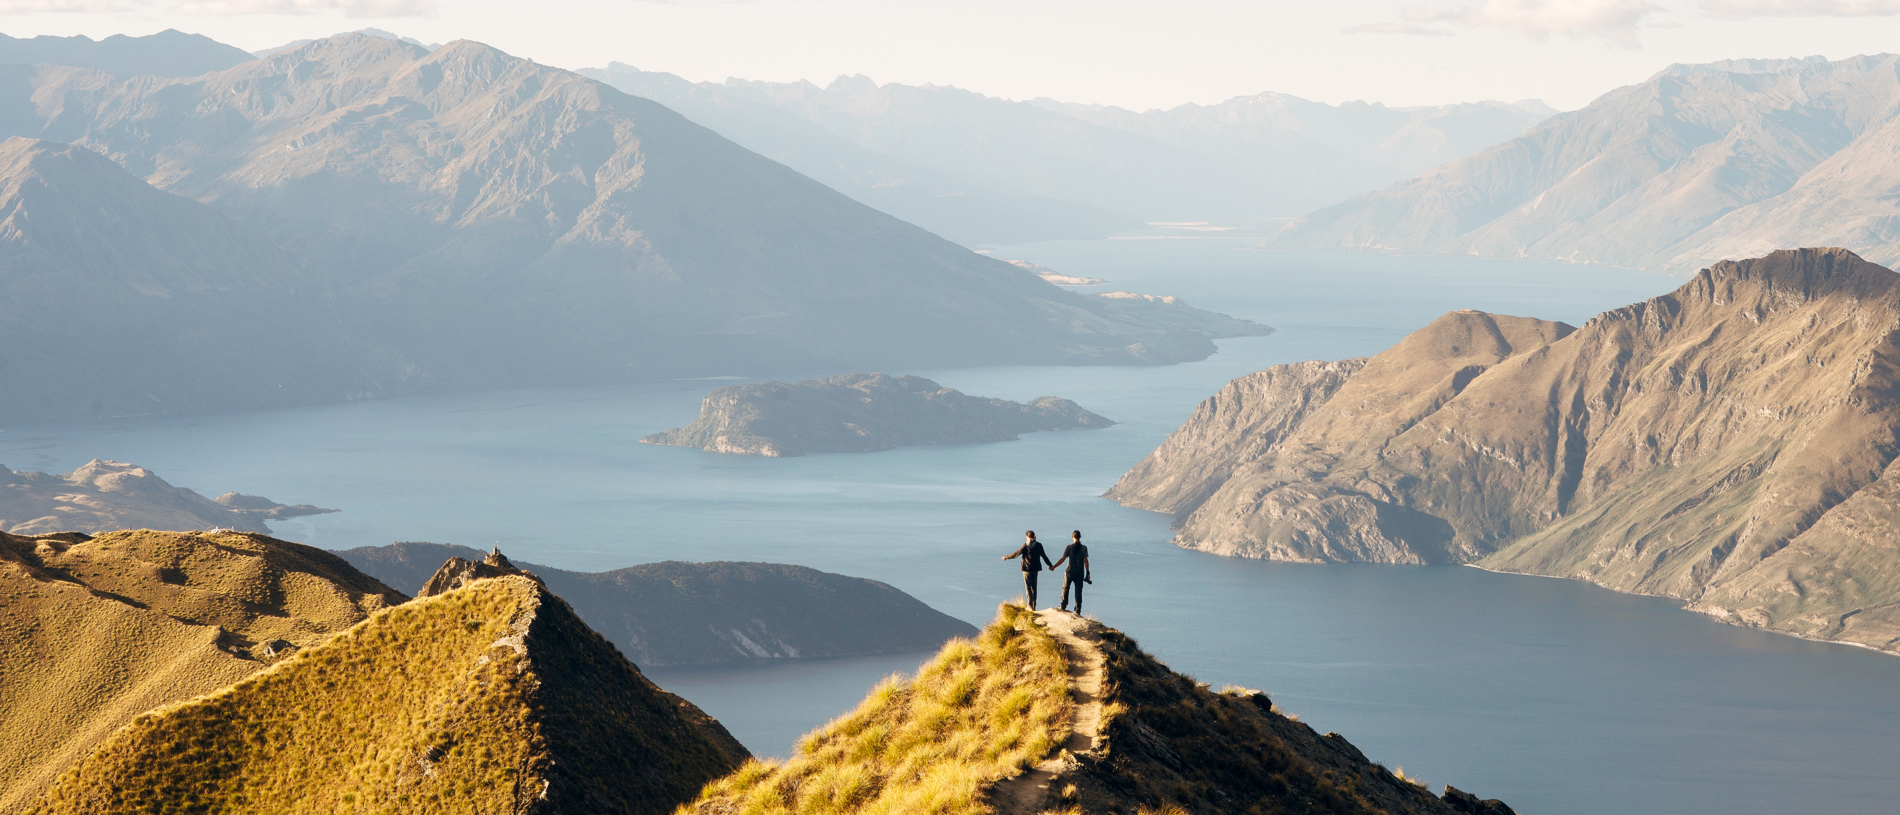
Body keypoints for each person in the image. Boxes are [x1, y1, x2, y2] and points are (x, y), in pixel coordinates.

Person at [1002, 530, 1055, 609]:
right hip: (1035, 568)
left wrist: (1006, 557)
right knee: (1034, 587)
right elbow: (1044, 556)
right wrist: (1050, 565)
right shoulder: (1039, 545)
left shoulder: (1025, 546)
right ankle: (1034, 605)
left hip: (1026, 569)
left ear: (1027, 537)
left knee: (1028, 587)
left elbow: (1016, 554)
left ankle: (1029, 604)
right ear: (1034, 536)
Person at [1050, 529, 1090, 614]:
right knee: (1078, 591)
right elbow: (1085, 560)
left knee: (1065, 588)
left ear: (1072, 537)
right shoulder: (1084, 548)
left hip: (1069, 572)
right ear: (1080, 537)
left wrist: (1054, 566)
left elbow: (1062, 559)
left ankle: (1063, 606)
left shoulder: (1069, 547)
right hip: (1079, 573)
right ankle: (1077, 610)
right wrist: (1088, 572)